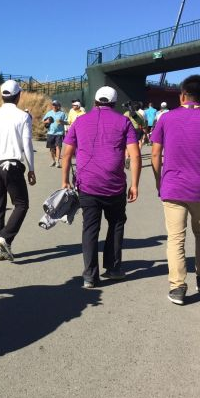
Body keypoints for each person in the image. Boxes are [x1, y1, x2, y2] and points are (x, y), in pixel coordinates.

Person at [61, 86, 141, 288]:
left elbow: (66, 154)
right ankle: (113, 268)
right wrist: (135, 184)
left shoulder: (79, 121)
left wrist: (65, 180)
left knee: (90, 228)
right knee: (116, 223)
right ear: (114, 103)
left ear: (95, 101)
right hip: (114, 185)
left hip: (87, 184)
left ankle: (90, 276)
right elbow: (135, 154)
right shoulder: (123, 121)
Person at [151, 75, 200, 305]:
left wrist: (158, 181)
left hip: (173, 186)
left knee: (176, 238)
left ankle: (178, 287)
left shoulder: (166, 118)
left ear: (182, 96)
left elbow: (155, 153)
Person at [0, 80, 36, 261]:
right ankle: (4, 238)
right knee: (21, 204)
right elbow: (27, 145)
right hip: (11, 165)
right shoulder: (23, 116)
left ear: (2, 96)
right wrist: (31, 168)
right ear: (18, 96)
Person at [43, 100, 67, 168]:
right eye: (53, 105)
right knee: (51, 148)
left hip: (59, 133)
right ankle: (53, 160)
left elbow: (67, 122)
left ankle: (57, 162)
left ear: (58, 106)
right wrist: (47, 121)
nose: (54, 106)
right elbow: (43, 121)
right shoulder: (49, 113)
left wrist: (62, 122)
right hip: (50, 133)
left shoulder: (62, 114)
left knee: (58, 147)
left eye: (55, 105)